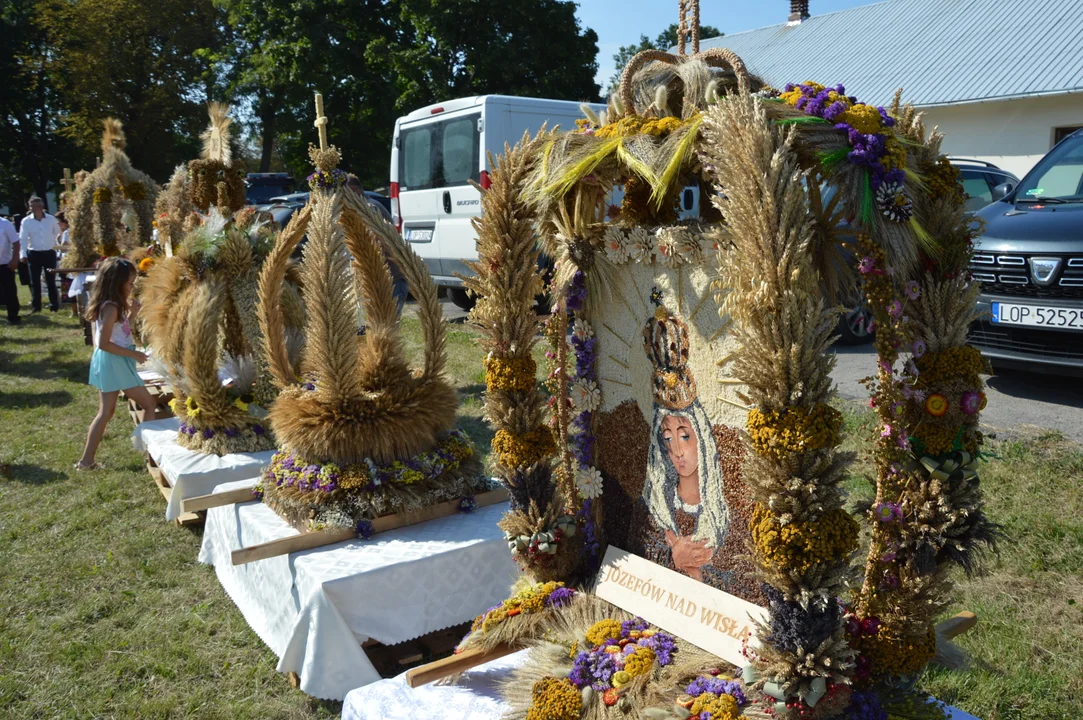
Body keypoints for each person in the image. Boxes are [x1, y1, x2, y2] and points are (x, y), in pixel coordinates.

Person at [76, 257, 157, 470]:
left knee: (106, 412)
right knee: (149, 405)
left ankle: (86, 461)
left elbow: (120, 332)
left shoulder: (113, 306)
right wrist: (134, 356)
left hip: (112, 361)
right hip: (115, 362)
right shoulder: (111, 308)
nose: (132, 287)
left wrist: (133, 315)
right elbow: (104, 343)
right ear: (117, 283)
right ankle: (149, 452)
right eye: (130, 283)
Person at [346, 175, 408, 315]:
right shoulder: (362, 210)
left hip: (391, 281)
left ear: (355, 191)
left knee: (387, 328)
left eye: (345, 194)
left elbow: (376, 247)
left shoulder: (371, 210)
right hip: (379, 282)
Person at [18, 196, 61, 312]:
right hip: (34, 253)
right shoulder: (26, 221)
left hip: (49, 252)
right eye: (30, 206)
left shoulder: (51, 219)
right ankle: (36, 306)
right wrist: (23, 254)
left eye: (34, 206)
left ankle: (54, 305)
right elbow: (23, 239)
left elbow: (57, 234)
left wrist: (58, 250)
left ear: (41, 207)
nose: (31, 208)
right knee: (34, 281)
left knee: (50, 280)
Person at [0, 215, 21, 324]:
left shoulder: (5, 223)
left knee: (10, 291)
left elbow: (16, 243)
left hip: (4, 264)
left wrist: (14, 260)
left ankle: (13, 315)